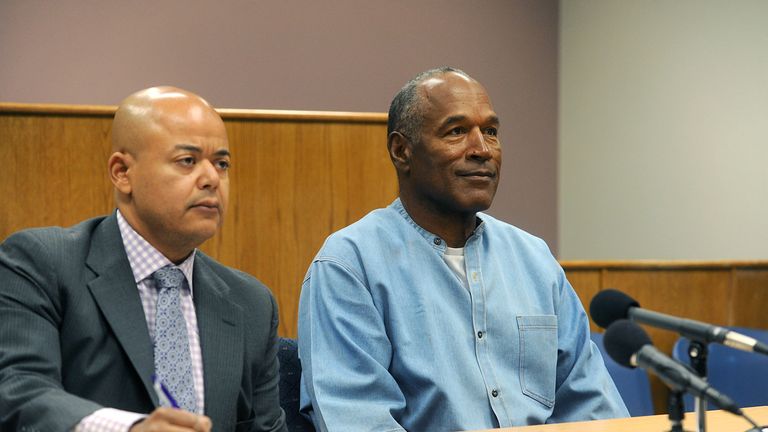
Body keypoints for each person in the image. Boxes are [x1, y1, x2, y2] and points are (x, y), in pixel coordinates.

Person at [297, 67, 629, 431]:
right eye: (456, 132)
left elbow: (593, 406)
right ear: (401, 150)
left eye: (490, 132)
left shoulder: (534, 260)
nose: (482, 150)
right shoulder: (349, 265)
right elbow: (358, 419)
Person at [0, 87, 287, 432]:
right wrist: (132, 429)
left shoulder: (251, 303)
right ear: (122, 172)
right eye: (188, 161)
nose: (212, 179)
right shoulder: (41, 263)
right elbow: (19, 392)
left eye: (221, 164)